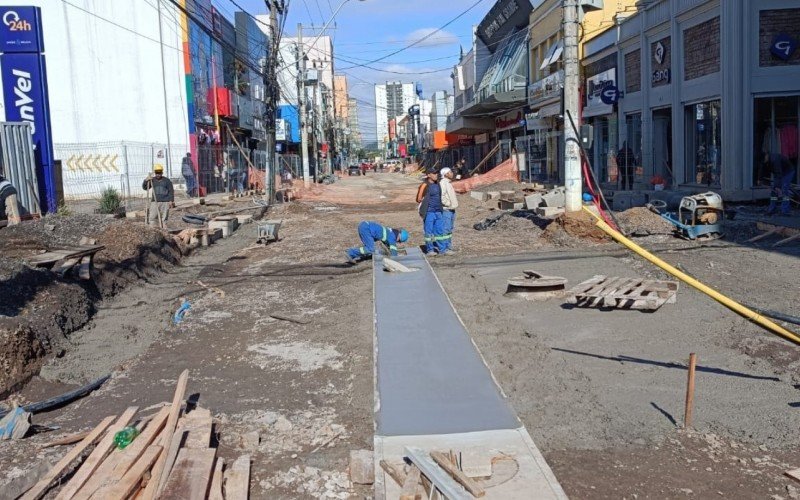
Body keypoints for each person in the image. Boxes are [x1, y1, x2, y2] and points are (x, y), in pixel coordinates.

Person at [415, 167, 444, 255]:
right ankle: (430, 249)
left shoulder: (437, 184)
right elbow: (418, 199)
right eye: (434, 173)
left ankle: (442, 249)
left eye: (436, 173)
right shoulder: (424, 185)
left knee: (439, 231)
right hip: (429, 212)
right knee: (429, 231)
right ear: (428, 175)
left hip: (438, 211)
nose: (436, 175)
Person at [438, 167, 458, 255]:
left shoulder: (448, 183)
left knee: (449, 229)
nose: (452, 173)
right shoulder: (443, 183)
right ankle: (444, 248)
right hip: (447, 210)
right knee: (446, 229)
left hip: (451, 209)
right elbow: (441, 196)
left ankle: (448, 246)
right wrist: (447, 204)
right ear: (445, 174)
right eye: (450, 172)